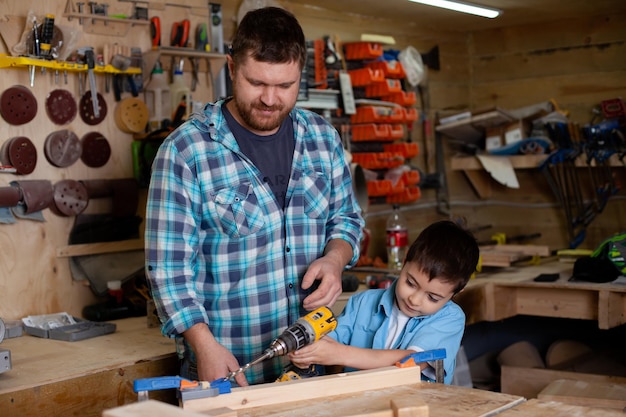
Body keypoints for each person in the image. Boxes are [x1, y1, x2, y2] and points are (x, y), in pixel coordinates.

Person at [144, 6, 364, 387]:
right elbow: (168, 270)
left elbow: (346, 219)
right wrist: (203, 345)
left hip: (311, 365)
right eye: (256, 82)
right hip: (227, 369)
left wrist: (334, 259)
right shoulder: (186, 151)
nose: (270, 99)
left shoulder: (322, 138)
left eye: (285, 86)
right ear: (231, 67)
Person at [288, 220, 479, 384]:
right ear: (404, 262)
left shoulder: (450, 319)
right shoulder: (362, 303)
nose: (414, 299)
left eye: (432, 297)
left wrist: (338, 354)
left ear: (455, 292)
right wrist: (309, 353)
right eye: (410, 283)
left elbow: (413, 360)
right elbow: (329, 341)